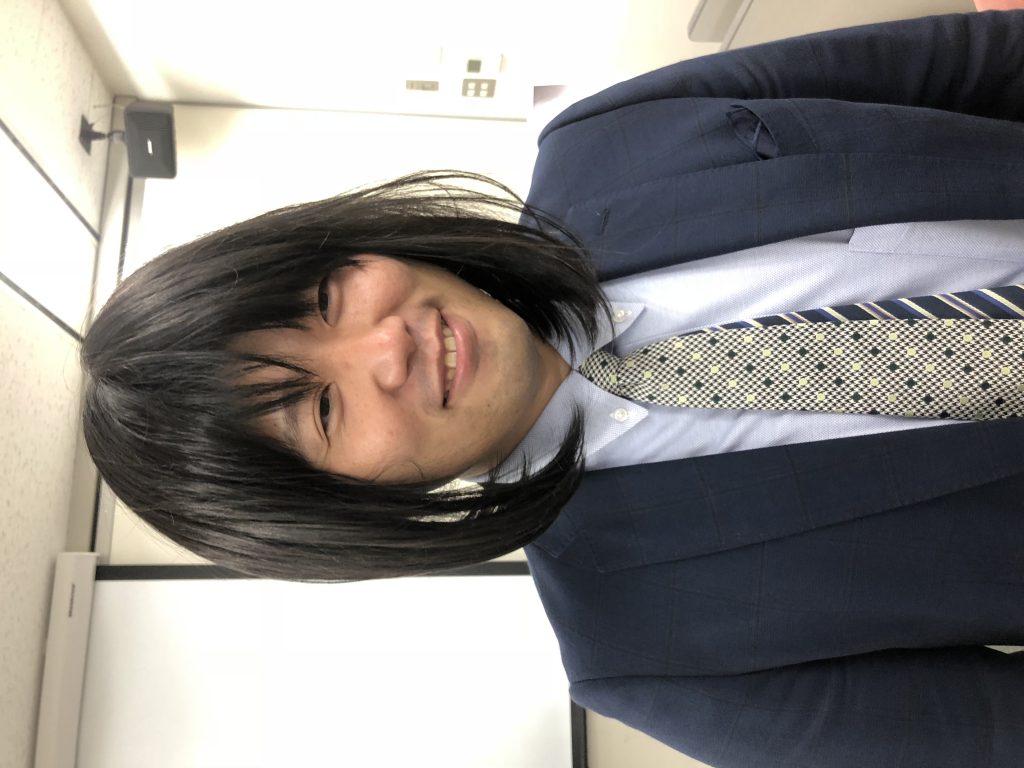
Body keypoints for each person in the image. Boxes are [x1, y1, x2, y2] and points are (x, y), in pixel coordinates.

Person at [82, 12, 1024, 768]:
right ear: (337, 508)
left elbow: (970, 63)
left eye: (326, 298)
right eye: (322, 408)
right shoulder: (647, 654)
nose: (386, 346)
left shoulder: (605, 143)